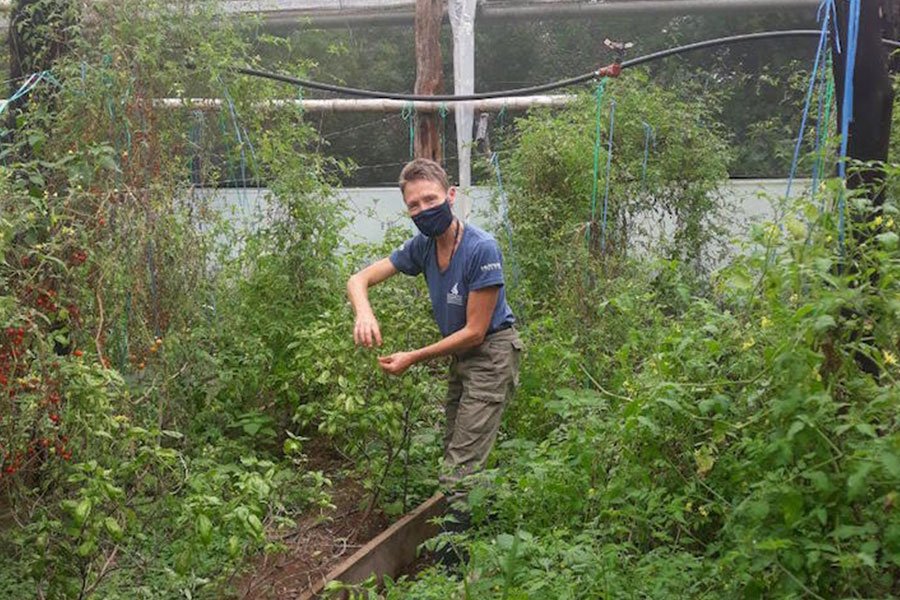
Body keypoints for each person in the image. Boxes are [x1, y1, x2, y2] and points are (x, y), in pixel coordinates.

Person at [346, 158, 523, 557]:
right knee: (456, 448)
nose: (424, 210)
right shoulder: (423, 246)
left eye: (431, 199)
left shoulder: (481, 248)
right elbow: (358, 279)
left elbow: (476, 332)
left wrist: (414, 356)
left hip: (491, 353)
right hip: (461, 356)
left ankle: (451, 565)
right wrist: (364, 311)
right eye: (414, 205)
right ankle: (488, 523)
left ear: (451, 196)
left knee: (460, 465)